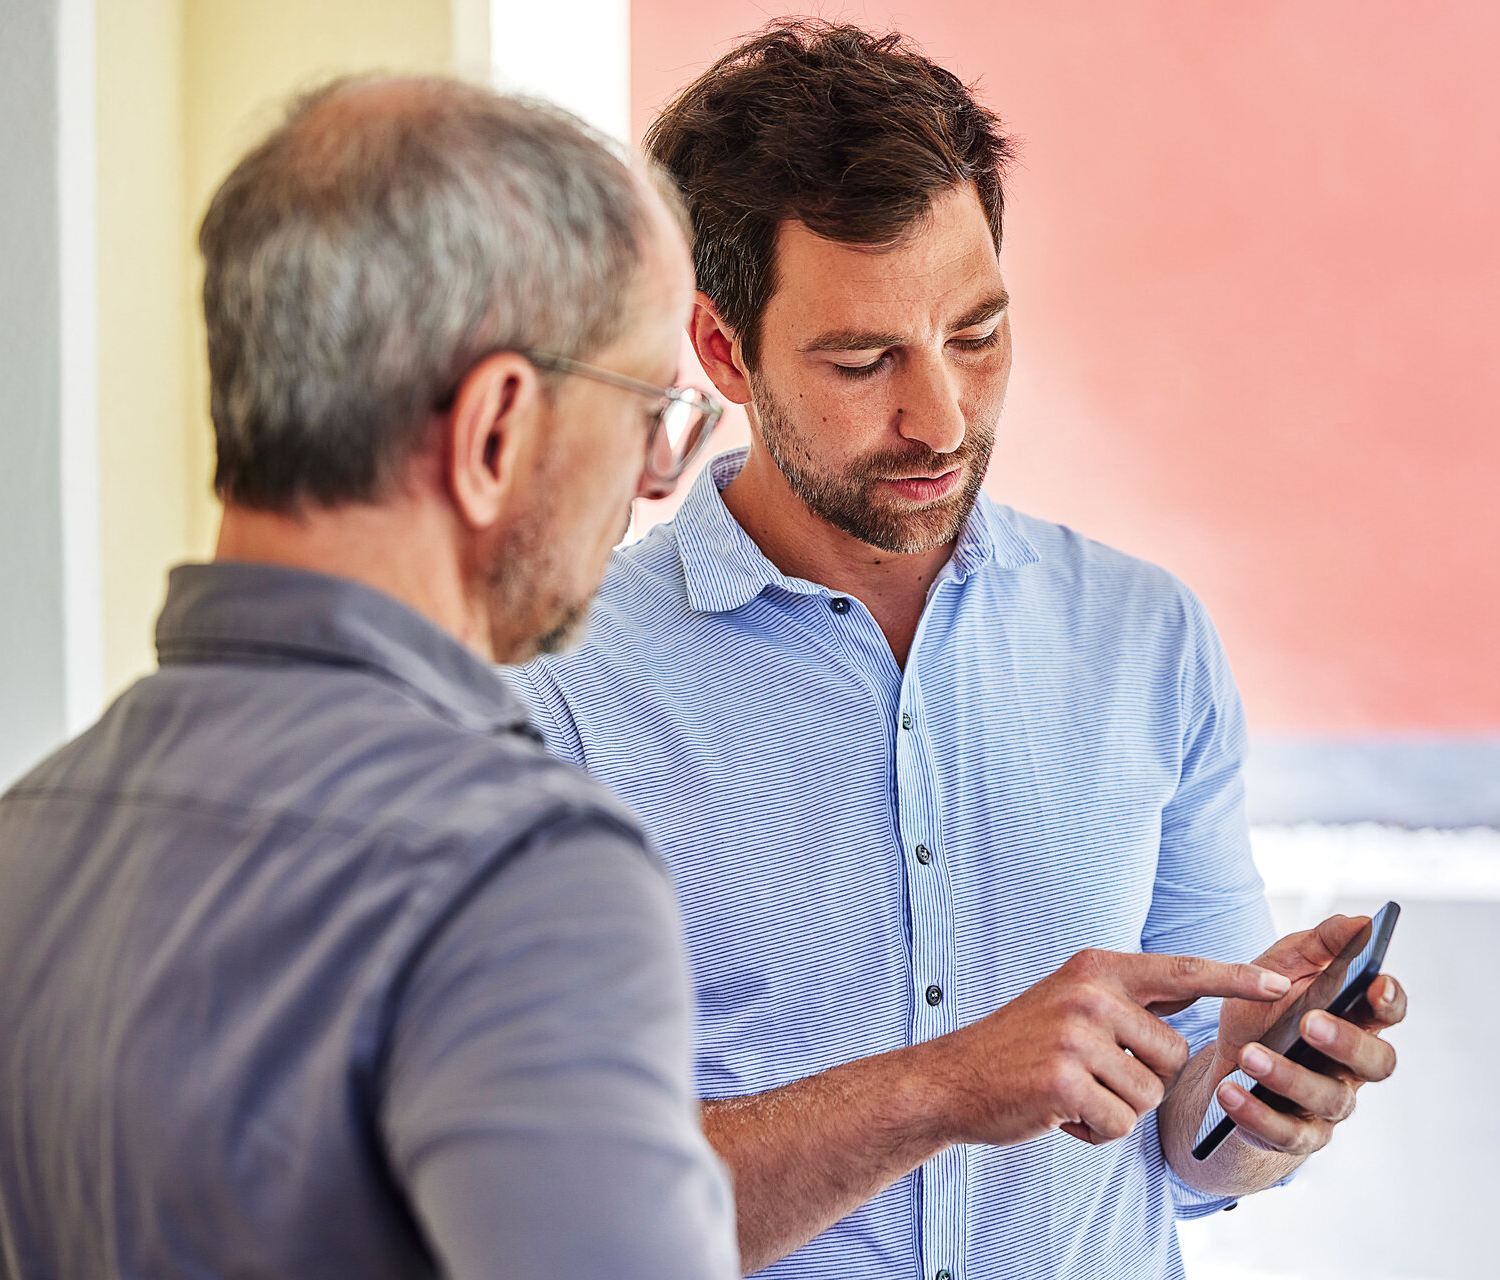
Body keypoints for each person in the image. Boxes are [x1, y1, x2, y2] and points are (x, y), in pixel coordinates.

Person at [506, 20, 1409, 1280]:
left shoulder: (1145, 640)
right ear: (721, 350)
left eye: (976, 336)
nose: (939, 418)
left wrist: (1257, 1107)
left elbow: (1186, 1141)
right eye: (863, 359)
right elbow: (554, 1216)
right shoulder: (553, 694)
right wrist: (941, 1085)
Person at [0, 76, 737, 1280]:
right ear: (495, 432)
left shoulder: (26, 835)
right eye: (650, 408)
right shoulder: (524, 873)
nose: (657, 478)